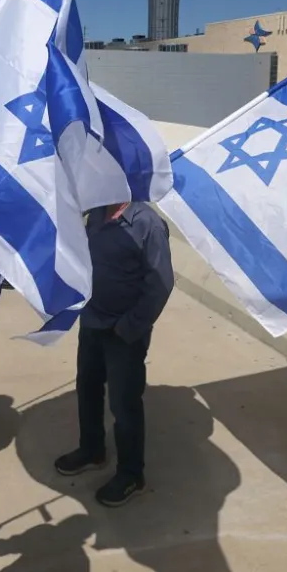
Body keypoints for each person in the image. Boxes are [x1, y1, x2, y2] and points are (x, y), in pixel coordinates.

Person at [53, 202, 174, 507]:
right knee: (88, 388)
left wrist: (130, 326)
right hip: (92, 321)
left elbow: (161, 284)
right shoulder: (95, 214)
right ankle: (92, 449)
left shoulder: (148, 224)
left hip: (125, 333)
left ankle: (132, 474)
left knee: (124, 403)